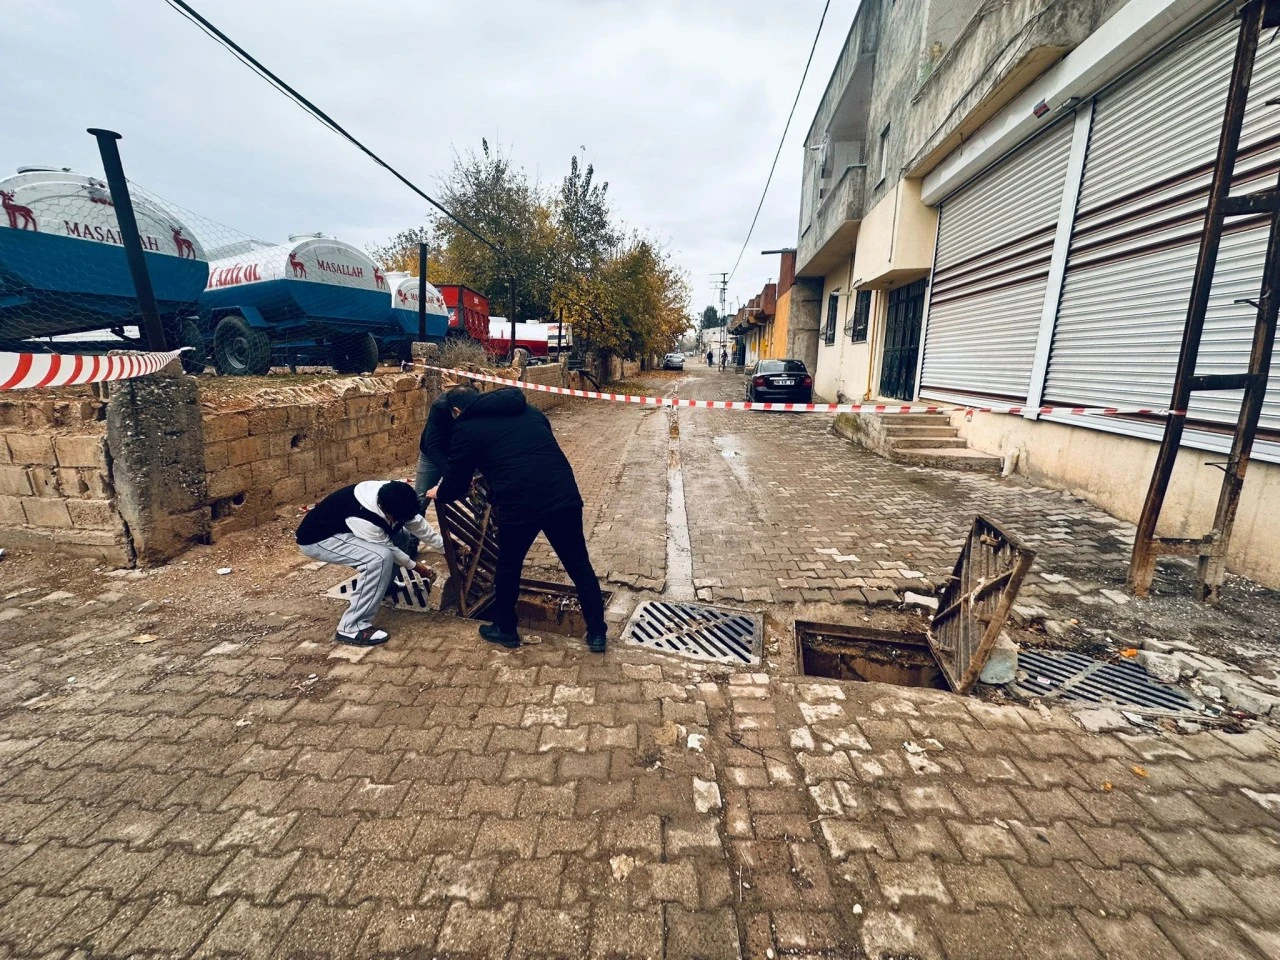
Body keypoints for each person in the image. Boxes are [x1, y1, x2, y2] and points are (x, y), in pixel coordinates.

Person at [428, 384, 607, 653]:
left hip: (518, 503)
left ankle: (506, 630)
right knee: (579, 565)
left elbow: (458, 482)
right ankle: (597, 634)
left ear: (456, 410)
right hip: (562, 495)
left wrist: (439, 493)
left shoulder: (466, 427)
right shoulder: (531, 411)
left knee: (509, 566)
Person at [297, 480, 443, 646]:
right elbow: (390, 550)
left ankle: (384, 586)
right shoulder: (364, 517)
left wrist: (446, 548)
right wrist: (417, 567)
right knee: (379, 559)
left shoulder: (397, 495)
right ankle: (351, 627)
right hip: (319, 539)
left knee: (401, 535)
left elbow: (417, 524)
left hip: (343, 529)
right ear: (386, 511)